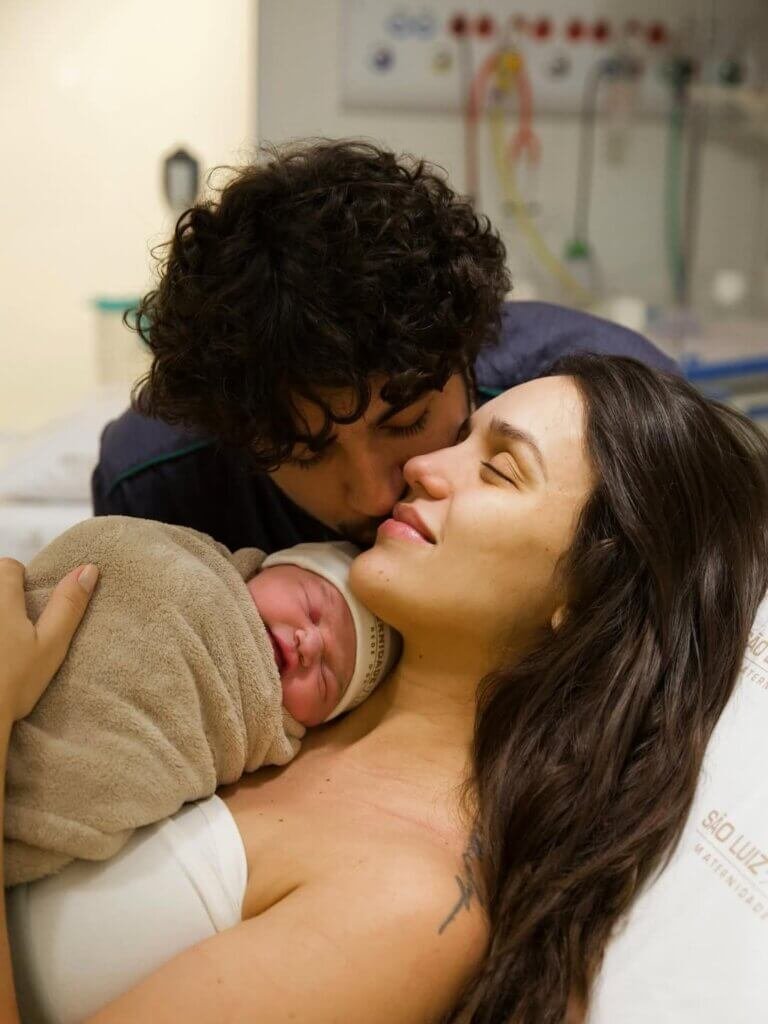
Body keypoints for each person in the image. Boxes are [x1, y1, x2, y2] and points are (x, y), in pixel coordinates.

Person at [3, 355, 766, 1024]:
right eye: (464, 437)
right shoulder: (297, 659)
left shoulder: (411, 906)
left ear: (593, 591)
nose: (425, 466)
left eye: (499, 470)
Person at [92, 139, 677, 553]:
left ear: (467, 353)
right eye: (307, 454)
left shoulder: (613, 412)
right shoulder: (159, 485)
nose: (375, 496)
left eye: (406, 422)